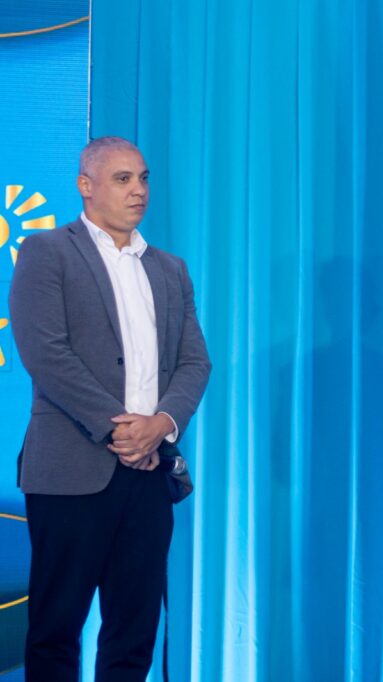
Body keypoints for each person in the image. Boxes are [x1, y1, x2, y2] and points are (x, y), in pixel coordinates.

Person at [8, 136, 211, 681]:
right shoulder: (47, 252)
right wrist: (121, 430)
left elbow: (195, 362)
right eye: (123, 179)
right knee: (55, 631)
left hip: (150, 473)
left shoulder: (170, 269)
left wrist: (160, 426)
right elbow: (45, 352)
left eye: (143, 178)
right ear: (86, 185)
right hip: (71, 472)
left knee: (134, 631)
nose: (138, 190)